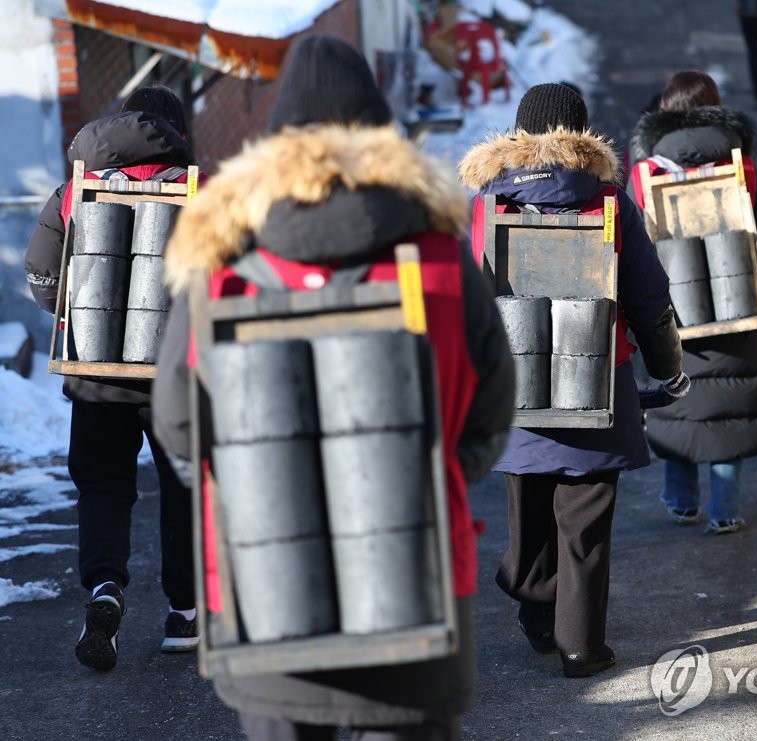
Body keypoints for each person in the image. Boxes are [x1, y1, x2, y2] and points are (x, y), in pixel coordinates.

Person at [151, 35, 515, 740]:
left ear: (275, 142)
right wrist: (424, 477)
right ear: (383, 135)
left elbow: (176, 419)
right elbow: (492, 406)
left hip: (264, 598)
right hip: (416, 586)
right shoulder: (440, 256)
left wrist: (258, 492)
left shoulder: (220, 262)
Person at [458, 83, 686, 678]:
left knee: (528, 504)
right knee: (584, 523)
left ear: (517, 136)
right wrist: (668, 368)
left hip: (516, 386)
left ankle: (536, 610)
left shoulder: (485, 205)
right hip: (596, 384)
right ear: (583, 135)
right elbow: (648, 295)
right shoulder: (609, 201)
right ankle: (581, 644)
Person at [24, 84, 203, 671]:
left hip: (95, 367)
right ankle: (183, 613)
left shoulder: (73, 189)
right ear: (175, 130)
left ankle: (105, 589)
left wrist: (84, 315)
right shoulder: (199, 191)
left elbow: (42, 277)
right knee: (183, 486)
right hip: (176, 368)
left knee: (103, 486)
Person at [628, 69, 757, 534]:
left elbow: (635, 249)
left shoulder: (644, 174)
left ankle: (681, 499)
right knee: (730, 401)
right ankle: (726, 507)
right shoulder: (743, 166)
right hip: (739, 303)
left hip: (670, 312)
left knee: (678, 404)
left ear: (665, 110)